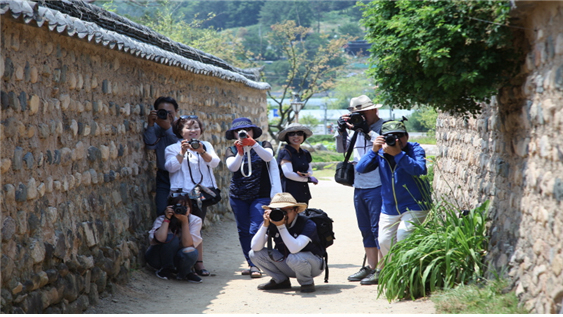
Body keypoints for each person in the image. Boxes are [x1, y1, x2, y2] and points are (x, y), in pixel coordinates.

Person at [355, 119, 431, 274]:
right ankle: (395, 272)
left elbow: (420, 170)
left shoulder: (414, 148)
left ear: (407, 136)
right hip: (389, 207)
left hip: (415, 205)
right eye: (390, 136)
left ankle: (407, 272)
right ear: (382, 138)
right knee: (383, 241)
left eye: (400, 135)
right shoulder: (381, 153)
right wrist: (374, 150)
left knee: (403, 235)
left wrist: (399, 155)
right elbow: (360, 168)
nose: (396, 140)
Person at [334, 95, 384, 285]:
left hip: (378, 183)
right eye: (356, 114)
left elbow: (386, 146)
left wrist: (367, 131)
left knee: (378, 228)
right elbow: (341, 149)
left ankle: (382, 268)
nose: (360, 116)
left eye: (363, 113)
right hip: (359, 184)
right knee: (365, 229)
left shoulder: (384, 127)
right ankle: (371, 267)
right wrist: (341, 130)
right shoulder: (354, 128)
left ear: (374, 110)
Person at [224, 117, 282, 279]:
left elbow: (268, 157)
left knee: (256, 227)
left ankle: (258, 261)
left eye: (247, 130)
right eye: (239, 131)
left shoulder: (264, 145)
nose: (243, 133)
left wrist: (253, 145)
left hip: (261, 194)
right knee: (243, 230)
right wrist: (241, 152)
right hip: (238, 195)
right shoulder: (232, 150)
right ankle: (252, 264)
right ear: (234, 134)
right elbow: (232, 167)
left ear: (253, 132)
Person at [164, 115, 220, 277]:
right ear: (180, 131)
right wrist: (182, 152)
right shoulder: (172, 148)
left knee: (196, 228)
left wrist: (201, 151)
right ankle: (180, 263)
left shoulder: (206, 145)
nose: (193, 131)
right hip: (181, 195)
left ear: (201, 130)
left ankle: (198, 263)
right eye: (189, 127)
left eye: (196, 127)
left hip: (200, 196)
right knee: (179, 228)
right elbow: (170, 167)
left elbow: (214, 163)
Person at [249, 192, 324, 293]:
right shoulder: (272, 222)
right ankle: (280, 281)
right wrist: (265, 225)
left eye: (285, 210)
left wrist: (281, 226)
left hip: (312, 265)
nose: (281, 214)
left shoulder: (307, 223)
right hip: (288, 263)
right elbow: (255, 247)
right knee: (254, 254)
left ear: (296, 210)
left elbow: (294, 249)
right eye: (277, 210)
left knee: (294, 257)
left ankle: (307, 282)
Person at [145, 194, 203, 283]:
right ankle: (166, 269)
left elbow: (188, 245)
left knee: (192, 252)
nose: (180, 210)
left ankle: (184, 272)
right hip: (158, 258)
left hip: (179, 258)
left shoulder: (195, 220)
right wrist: (167, 218)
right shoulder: (162, 218)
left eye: (185, 207)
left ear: (190, 208)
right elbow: (160, 239)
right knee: (172, 238)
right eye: (177, 206)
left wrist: (184, 222)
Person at [143, 96, 180, 217]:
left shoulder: (182, 127)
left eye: (170, 112)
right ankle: (162, 234)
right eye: (162, 112)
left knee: (182, 209)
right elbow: (150, 145)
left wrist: (168, 128)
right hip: (163, 175)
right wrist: (150, 124)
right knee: (162, 208)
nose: (166, 115)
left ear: (176, 112)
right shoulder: (155, 127)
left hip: (181, 174)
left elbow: (181, 145)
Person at [276, 123, 318, 206]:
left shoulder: (305, 153)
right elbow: (288, 174)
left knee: (303, 217)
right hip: (289, 193)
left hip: (303, 191)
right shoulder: (285, 152)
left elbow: (310, 170)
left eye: (299, 133)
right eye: (292, 134)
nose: (296, 136)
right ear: (287, 137)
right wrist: (308, 179)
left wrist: (307, 175)